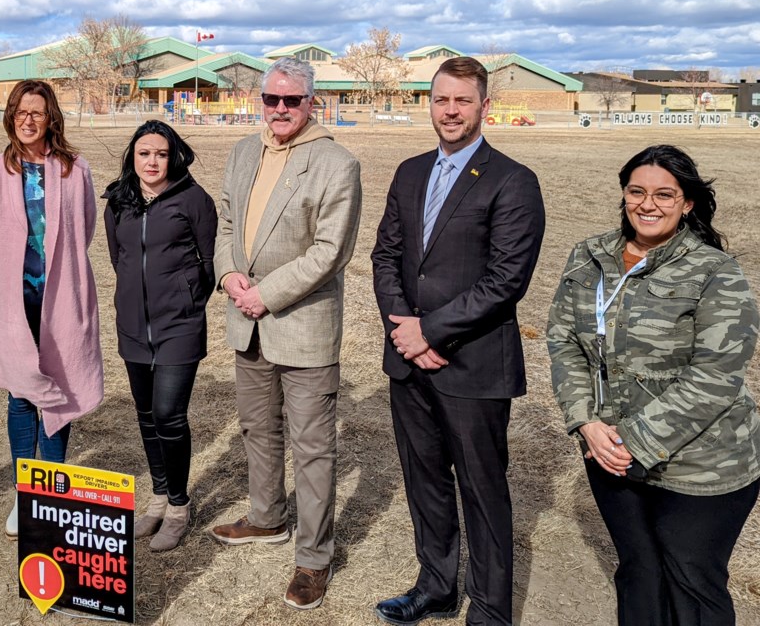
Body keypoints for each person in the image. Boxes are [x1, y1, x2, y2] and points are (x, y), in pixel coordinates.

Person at [547, 144, 760, 626]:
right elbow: (563, 341)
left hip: (702, 466)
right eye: (636, 191)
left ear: (687, 203)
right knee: (638, 572)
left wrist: (632, 441)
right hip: (609, 455)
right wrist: (586, 422)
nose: (648, 204)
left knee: (691, 581)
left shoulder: (715, 272)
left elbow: (716, 377)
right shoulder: (589, 257)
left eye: (665, 194)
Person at [371, 56, 545, 626]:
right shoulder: (409, 171)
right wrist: (405, 332)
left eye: (462, 101)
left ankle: (491, 608)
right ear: (430, 103)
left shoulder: (513, 181)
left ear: (484, 107)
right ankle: (437, 586)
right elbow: (387, 257)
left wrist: (431, 330)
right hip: (410, 361)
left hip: (472, 366)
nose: (450, 110)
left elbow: (505, 281)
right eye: (441, 99)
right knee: (424, 481)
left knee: (482, 490)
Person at [208, 56, 362, 611]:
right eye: (270, 99)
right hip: (246, 326)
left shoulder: (336, 164)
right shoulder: (244, 150)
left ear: (310, 103)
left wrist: (264, 294)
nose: (278, 109)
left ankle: (313, 558)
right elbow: (226, 220)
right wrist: (227, 273)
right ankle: (267, 517)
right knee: (257, 429)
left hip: (300, 327)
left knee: (313, 448)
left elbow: (330, 252)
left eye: (290, 100)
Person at [0, 80, 103, 539]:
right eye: (20, 112)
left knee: (59, 390)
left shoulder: (75, 169)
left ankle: (52, 492)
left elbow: (83, 230)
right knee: (21, 394)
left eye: (38, 113)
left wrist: (56, 273)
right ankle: (24, 493)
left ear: (52, 119)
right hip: (14, 299)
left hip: (62, 297)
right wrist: (18, 269)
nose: (28, 121)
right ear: (10, 117)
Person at [103, 120, 217, 551]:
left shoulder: (194, 200)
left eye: (161, 154)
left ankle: (178, 506)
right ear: (133, 156)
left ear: (174, 157)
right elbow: (120, 259)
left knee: (169, 413)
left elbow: (208, 263)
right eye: (144, 153)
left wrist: (185, 301)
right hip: (133, 327)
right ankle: (156, 498)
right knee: (146, 414)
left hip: (179, 327)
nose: (153, 162)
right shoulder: (118, 201)